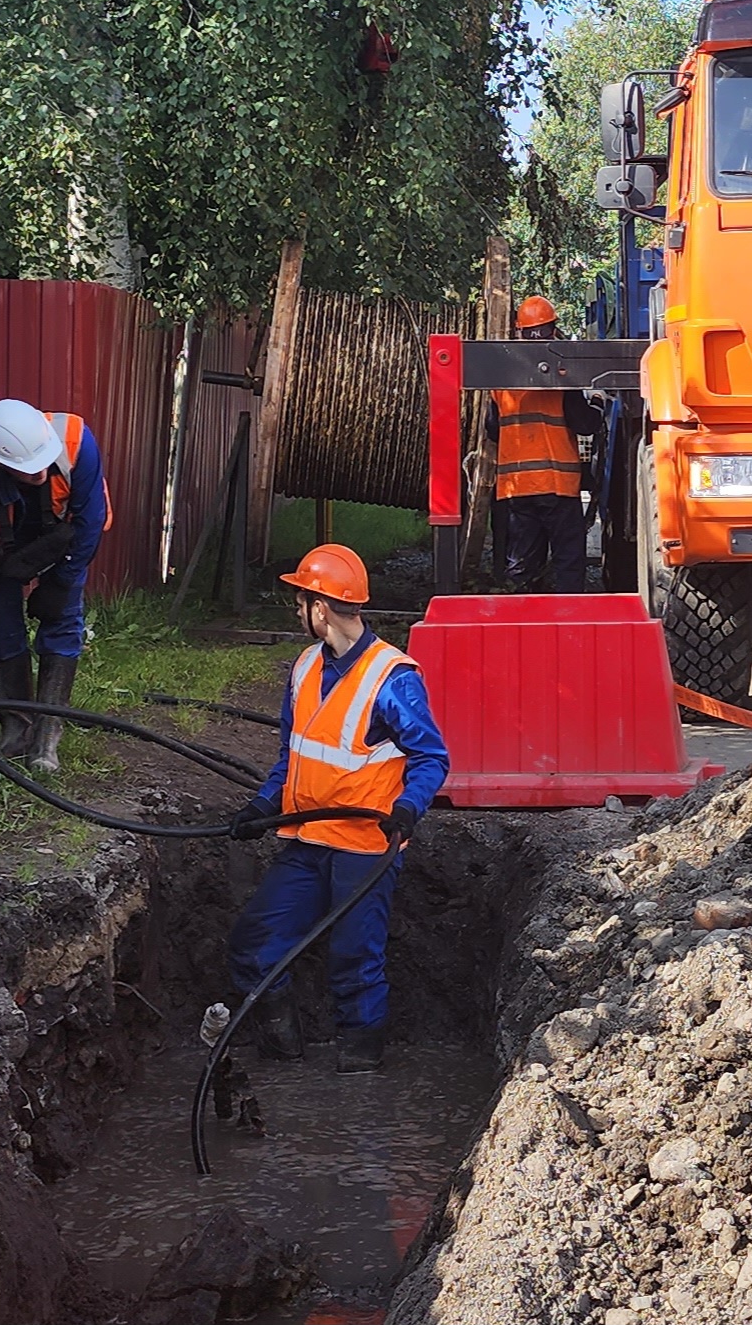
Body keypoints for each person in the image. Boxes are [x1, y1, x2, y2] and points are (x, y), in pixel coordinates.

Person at [227, 544, 450, 1073]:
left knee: (354, 960)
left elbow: (431, 757)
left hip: (364, 848)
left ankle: (359, 1073)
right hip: (306, 842)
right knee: (254, 944)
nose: (298, 612)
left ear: (320, 607)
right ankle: (282, 1053)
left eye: (300, 602)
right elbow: (293, 753)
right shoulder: (305, 666)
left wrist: (408, 808)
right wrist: (262, 805)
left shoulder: (392, 678)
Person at [0, 398, 111, 771]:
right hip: (7, 545)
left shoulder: (74, 440)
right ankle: (17, 733)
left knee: (64, 621)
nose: (37, 473)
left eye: (40, 466)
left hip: (63, 538)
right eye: (26, 470)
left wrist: (62, 580)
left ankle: (46, 740)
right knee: (1, 624)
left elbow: (90, 519)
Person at [489, 295, 604, 593]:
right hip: (558, 488)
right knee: (568, 563)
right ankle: (569, 623)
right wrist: (597, 403)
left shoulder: (501, 380)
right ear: (553, 330)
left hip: (516, 489)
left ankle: (523, 623)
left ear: (519, 331)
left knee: (522, 565)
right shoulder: (562, 378)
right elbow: (585, 425)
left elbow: (492, 429)